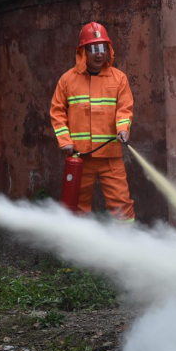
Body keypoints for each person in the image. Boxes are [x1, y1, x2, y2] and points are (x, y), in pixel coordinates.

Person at [50, 22, 135, 223]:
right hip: (80, 157)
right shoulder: (67, 80)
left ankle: (126, 241)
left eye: (103, 47)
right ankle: (79, 243)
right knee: (77, 206)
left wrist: (123, 129)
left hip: (110, 156)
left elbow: (124, 109)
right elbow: (57, 112)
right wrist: (65, 142)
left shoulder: (119, 78)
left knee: (122, 205)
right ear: (82, 51)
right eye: (94, 49)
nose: (99, 54)